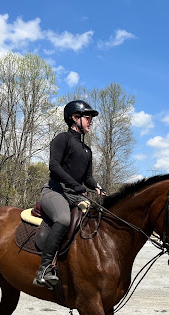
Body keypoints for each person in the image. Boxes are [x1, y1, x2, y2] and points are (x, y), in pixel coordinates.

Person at [33, 100, 106, 289]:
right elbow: (54, 166)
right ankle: (44, 269)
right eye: (87, 118)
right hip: (55, 191)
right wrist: (76, 185)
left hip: (74, 194)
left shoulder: (87, 150)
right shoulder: (62, 139)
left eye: (91, 119)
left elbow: (87, 177)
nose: (91, 122)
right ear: (75, 118)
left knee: (97, 216)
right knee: (64, 219)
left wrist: (96, 186)